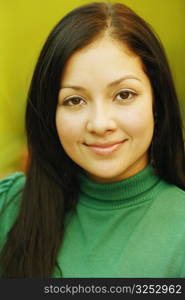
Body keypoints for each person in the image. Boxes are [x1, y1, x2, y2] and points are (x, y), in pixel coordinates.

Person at [0, 1, 185, 278]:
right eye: (74, 100)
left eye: (124, 95)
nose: (100, 124)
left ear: (156, 100)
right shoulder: (9, 206)